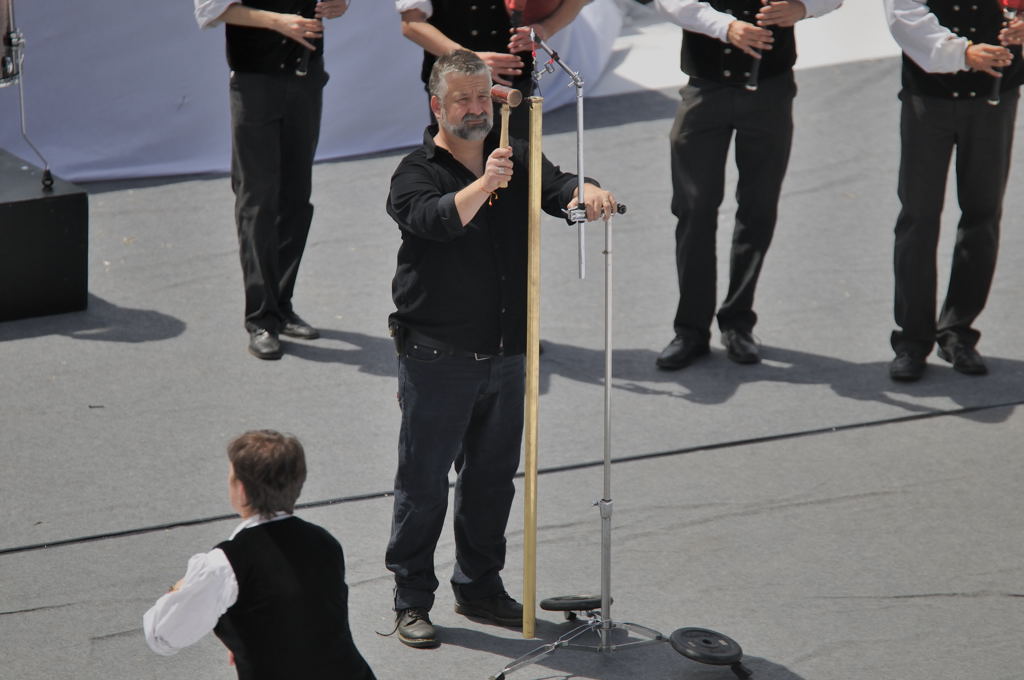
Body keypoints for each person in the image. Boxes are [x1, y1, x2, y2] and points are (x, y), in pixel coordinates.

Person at [383, 49, 617, 649]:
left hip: (510, 354)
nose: (474, 108)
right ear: (437, 105)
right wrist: (487, 182)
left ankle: (480, 587)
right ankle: (411, 598)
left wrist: (583, 191)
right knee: (424, 484)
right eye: (461, 98)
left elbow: (554, 185)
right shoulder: (416, 171)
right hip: (437, 357)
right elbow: (434, 220)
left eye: (483, 96)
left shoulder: (513, 153)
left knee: (491, 481)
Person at [645, 0, 841, 370]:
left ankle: (737, 321)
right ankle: (690, 329)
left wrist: (803, 7)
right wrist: (725, 27)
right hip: (705, 89)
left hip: (770, 89)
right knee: (693, 210)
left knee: (758, 207)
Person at [143, 430, 376, 680]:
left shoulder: (226, 564)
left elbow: (162, 636)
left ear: (241, 490)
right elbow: (303, 618)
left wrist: (178, 589)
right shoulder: (325, 542)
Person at [194, 0, 350, 359]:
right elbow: (211, 10)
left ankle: (281, 303)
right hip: (254, 82)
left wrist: (339, 5)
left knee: (296, 197)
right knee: (257, 199)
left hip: (306, 76)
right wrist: (278, 22)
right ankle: (261, 317)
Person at [884, 0, 1023, 381]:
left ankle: (958, 332)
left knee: (982, 214)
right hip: (928, 100)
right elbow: (903, 16)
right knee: (918, 217)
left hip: (995, 100)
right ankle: (912, 339)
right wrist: (964, 53)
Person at [395, 0, 588, 137]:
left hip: (514, 82)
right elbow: (411, 24)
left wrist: (546, 28)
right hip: (454, 86)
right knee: (458, 170)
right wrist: (467, 58)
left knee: (519, 165)